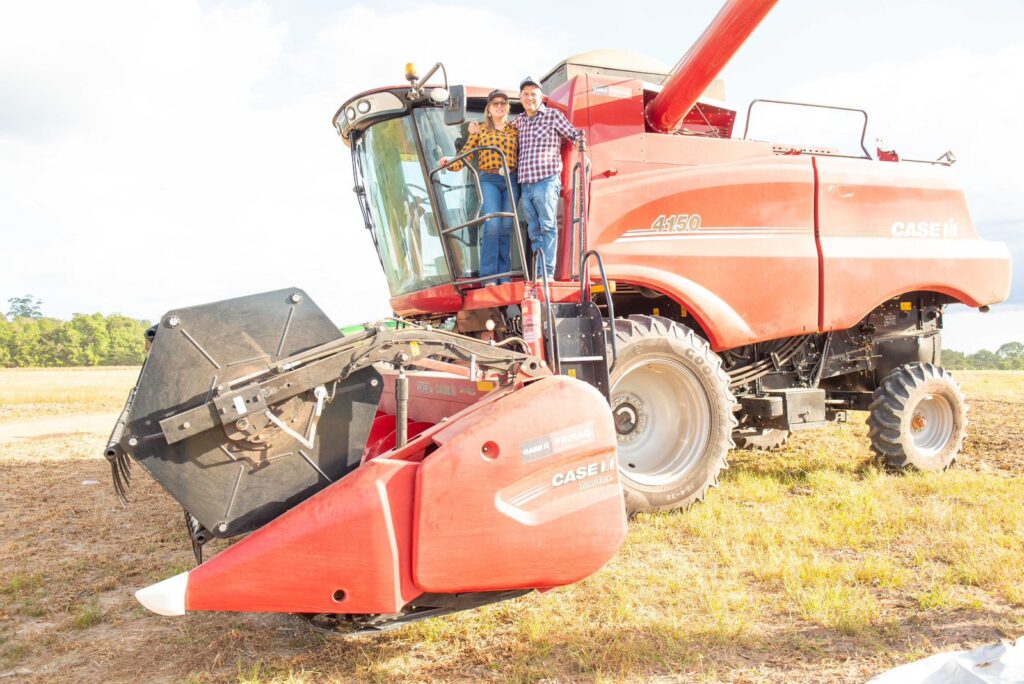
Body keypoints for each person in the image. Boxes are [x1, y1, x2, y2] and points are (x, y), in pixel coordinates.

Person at [505, 76, 584, 280]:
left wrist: (582, 149)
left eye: (533, 94)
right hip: (525, 183)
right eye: (525, 94)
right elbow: (499, 132)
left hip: (546, 180)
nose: (529, 97)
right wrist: (476, 129)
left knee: (547, 226)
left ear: (541, 97)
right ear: (520, 98)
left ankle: (547, 273)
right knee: (534, 230)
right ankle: (539, 272)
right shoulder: (519, 121)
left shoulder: (553, 116)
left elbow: (575, 134)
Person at [439, 89, 519, 285]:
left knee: (506, 226)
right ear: (488, 109)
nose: (499, 106)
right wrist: (450, 163)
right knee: (492, 225)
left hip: (511, 179)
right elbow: (466, 153)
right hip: (489, 179)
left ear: (507, 108)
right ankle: (489, 276)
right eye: (495, 103)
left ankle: (504, 277)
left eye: (503, 103)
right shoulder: (480, 130)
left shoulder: (515, 129)